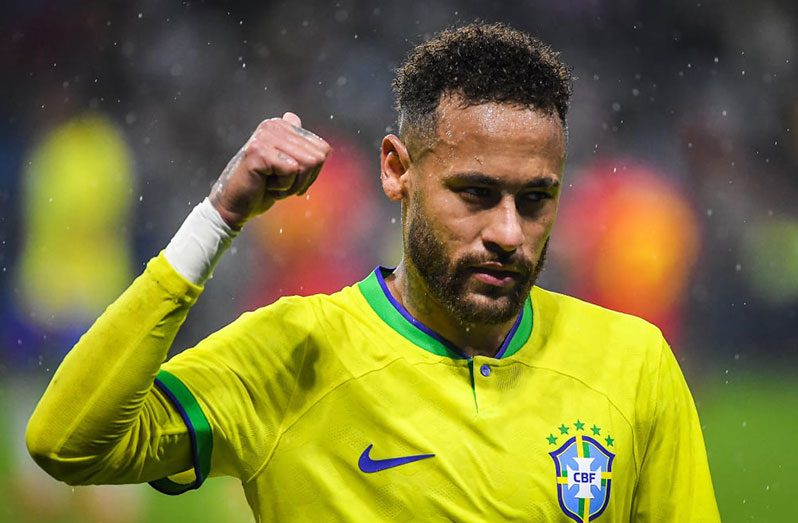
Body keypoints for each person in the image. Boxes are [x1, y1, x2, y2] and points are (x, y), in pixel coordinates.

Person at [26, 23, 720, 521]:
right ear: (398, 171)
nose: (509, 232)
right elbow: (68, 443)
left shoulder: (634, 363)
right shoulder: (290, 354)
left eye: (536, 199)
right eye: (475, 194)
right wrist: (218, 217)